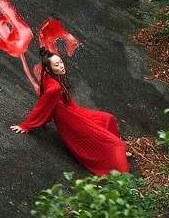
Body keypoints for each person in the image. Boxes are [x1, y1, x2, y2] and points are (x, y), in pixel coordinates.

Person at [9, 47, 130, 175]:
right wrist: (26, 125)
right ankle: (122, 176)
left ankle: (117, 155)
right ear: (49, 68)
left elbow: (47, 102)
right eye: (57, 65)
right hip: (69, 119)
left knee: (108, 118)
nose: (61, 66)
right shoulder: (53, 88)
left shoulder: (48, 75)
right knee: (116, 144)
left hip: (73, 110)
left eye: (61, 62)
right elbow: (42, 105)